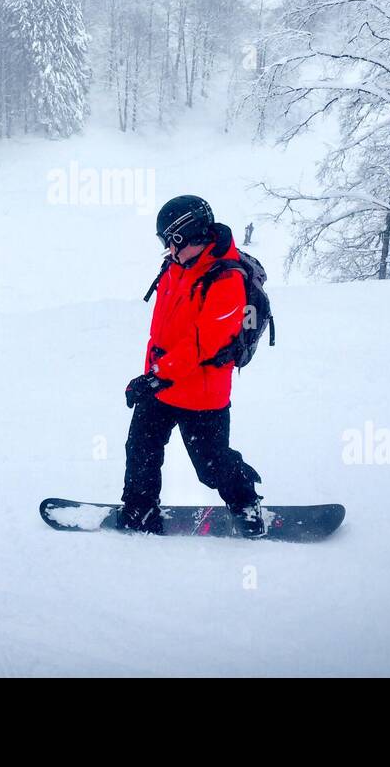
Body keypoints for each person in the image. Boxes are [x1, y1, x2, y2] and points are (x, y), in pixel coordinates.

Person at [119, 195, 265, 537]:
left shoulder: (225, 280)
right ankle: (139, 507)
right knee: (140, 447)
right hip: (163, 382)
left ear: (186, 235)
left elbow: (203, 345)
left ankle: (245, 501)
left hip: (202, 394)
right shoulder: (175, 266)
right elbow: (163, 331)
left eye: (171, 243)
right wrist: (151, 377)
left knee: (211, 467)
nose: (168, 250)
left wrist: (154, 378)